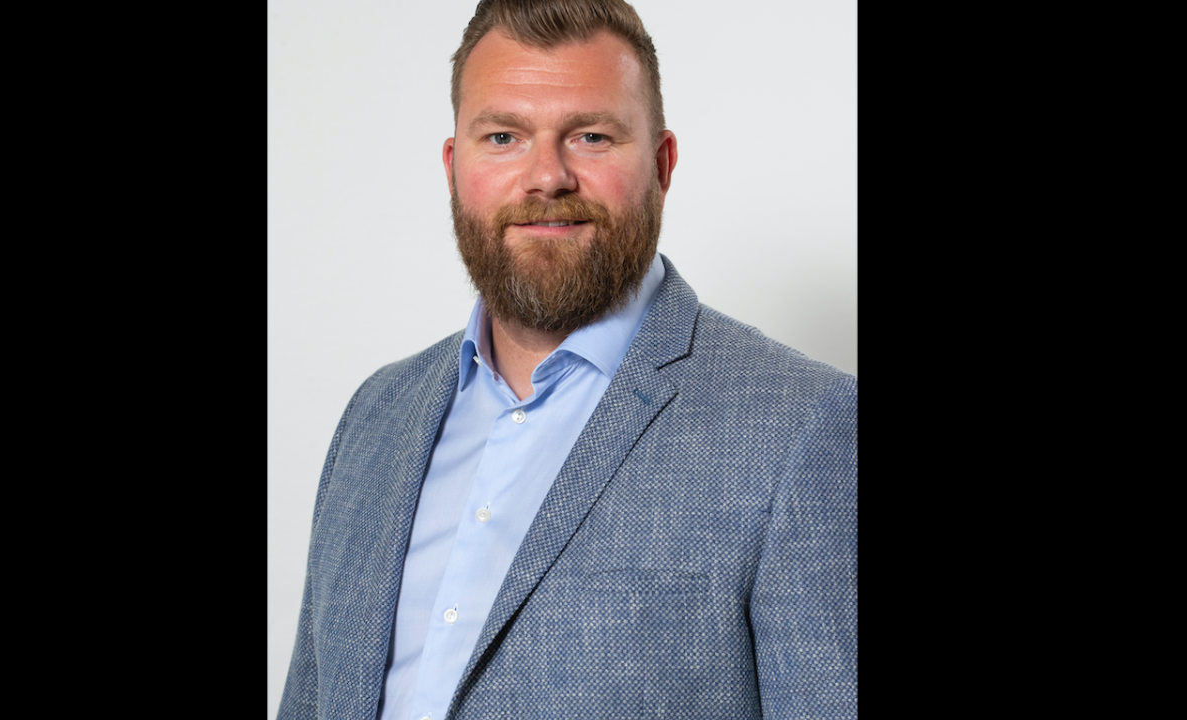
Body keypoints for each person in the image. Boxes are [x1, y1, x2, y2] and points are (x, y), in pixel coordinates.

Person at [278, 1, 857, 718]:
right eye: (503, 137)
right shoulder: (374, 418)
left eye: (591, 136)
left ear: (662, 165)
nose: (547, 177)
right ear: (455, 168)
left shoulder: (802, 429)